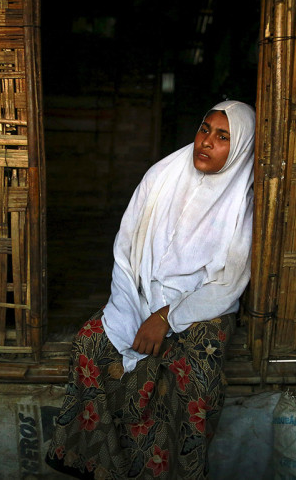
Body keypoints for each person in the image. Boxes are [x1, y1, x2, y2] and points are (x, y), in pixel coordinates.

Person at [46, 100, 256, 479]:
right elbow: (125, 250)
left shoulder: (244, 199)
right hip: (143, 290)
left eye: (222, 136)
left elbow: (228, 283)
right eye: (204, 129)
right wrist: (130, 309)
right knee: (92, 342)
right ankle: (101, 464)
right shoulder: (163, 175)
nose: (206, 142)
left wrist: (167, 318)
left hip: (202, 306)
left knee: (191, 373)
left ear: (240, 146)